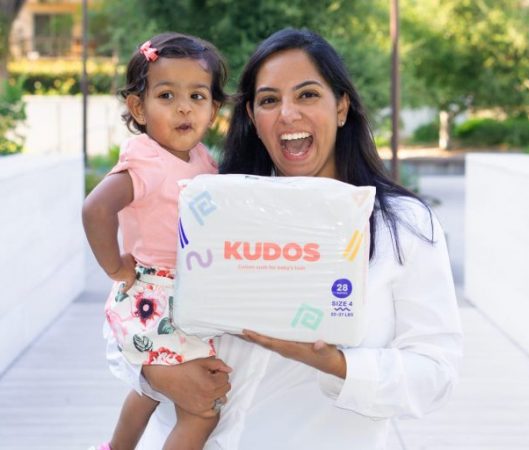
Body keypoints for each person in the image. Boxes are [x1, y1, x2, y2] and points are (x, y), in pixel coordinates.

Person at [114, 28, 463, 450]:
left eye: (308, 95)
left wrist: (337, 365)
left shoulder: (402, 225)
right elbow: (129, 310)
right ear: (252, 117)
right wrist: (155, 374)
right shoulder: (207, 205)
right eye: (269, 100)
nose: (288, 114)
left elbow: (435, 373)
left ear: (341, 107)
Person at [82, 32, 232, 450]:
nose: (184, 107)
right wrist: (116, 267)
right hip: (155, 294)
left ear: (213, 110)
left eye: (197, 96)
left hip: (185, 292)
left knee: (150, 391)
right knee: (202, 409)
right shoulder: (146, 161)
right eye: (167, 96)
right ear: (138, 108)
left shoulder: (202, 158)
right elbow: (95, 209)